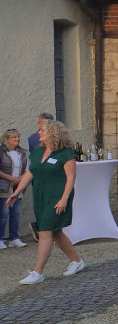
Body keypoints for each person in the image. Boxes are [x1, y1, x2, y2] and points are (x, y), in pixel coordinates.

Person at [6, 119, 84, 284]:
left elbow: (71, 178)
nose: (39, 133)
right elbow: (30, 173)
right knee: (56, 232)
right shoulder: (37, 152)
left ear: (53, 133)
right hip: (41, 196)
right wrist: (16, 193)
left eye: (42, 130)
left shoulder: (66, 153)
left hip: (57, 196)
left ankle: (38, 272)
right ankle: (77, 261)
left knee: (45, 231)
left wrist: (64, 199)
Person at [0, 129, 30, 249]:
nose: (17, 139)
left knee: (16, 213)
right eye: (14, 137)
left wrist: (20, 179)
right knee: (4, 213)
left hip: (18, 187)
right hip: (4, 187)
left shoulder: (22, 152)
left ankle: (14, 238)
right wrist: (10, 178)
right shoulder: (1, 152)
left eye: (18, 137)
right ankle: (0, 239)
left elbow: (27, 170)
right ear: (6, 139)